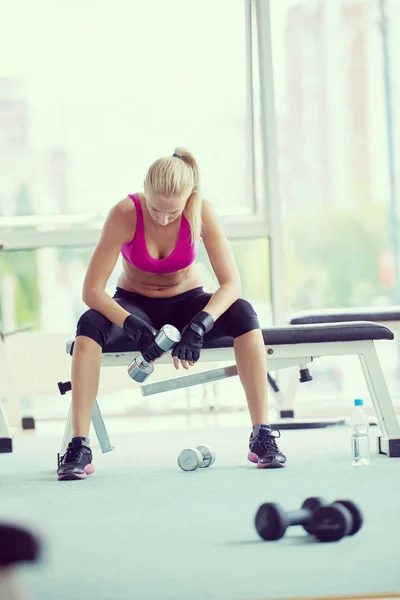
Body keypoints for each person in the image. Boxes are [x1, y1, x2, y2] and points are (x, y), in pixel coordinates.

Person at [57, 148, 286, 481]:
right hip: (134, 303)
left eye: (173, 212)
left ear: (189, 198)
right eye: (155, 209)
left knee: (244, 314)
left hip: (189, 302)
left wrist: (200, 324)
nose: (163, 219)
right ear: (144, 192)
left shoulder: (202, 211)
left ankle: (261, 434)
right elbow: (91, 291)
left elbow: (231, 284)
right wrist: (132, 325)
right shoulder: (124, 213)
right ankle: (79, 445)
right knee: (88, 325)